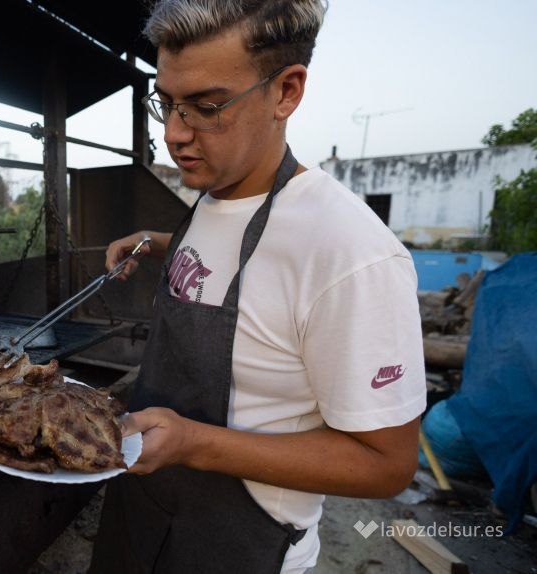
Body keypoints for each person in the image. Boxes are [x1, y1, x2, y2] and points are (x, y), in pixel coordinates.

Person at [87, 1, 426, 573]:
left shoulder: (352, 254)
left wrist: (195, 443)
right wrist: (160, 240)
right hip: (141, 510)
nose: (173, 133)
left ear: (286, 92)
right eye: (166, 103)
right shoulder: (215, 189)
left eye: (207, 107)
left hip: (238, 547)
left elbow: (386, 465)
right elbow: (250, 263)